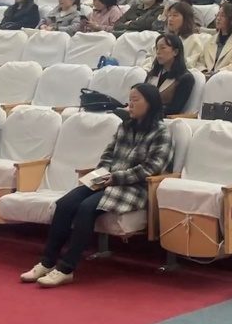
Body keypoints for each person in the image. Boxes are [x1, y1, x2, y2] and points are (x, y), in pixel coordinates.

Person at [21, 83, 173, 287]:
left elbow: (151, 168)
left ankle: (66, 268)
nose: (130, 104)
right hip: (109, 180)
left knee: (86, 208)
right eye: (129, 99)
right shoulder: (125, 126)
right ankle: (47, 262)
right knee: (64, 204)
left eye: (135, 100)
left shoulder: (161, 133)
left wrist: (116, 178)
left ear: (150, 104)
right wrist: (101, 173)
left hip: (133, 187)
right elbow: (108, 154)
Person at [144, 33, 196, 116]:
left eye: (163, 48)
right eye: (157, 48)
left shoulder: (185, 78)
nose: (158, 52)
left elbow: (174, 109)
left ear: (175, 52)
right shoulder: (153, 74)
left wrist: (145, 110)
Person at [198, 2, 232, 75]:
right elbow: (200, 62)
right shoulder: (210, 40)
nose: (218, 18)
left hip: (228, 78)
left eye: (223, 16)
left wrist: (218, 73)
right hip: (206, 77)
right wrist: (204, 71)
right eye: (217, 15)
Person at [162, 1, 205, 65]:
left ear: (186, 19)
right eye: (169, 15)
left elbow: (191, 63)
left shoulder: (194, 41)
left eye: (175, 15)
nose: (170, 19)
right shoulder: (165, 40)